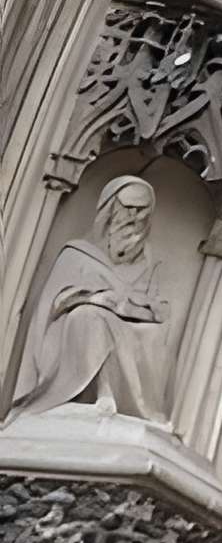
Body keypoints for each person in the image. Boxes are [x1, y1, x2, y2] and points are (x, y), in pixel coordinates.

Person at [10, 175, 171, 422]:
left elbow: (159, 310)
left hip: (132, 330)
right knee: (89, 316)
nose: (134, 217)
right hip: (76, 325)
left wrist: (122, 305)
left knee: (153, 335)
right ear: (111, 208)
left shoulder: (151, 260)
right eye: (128, 207)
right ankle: (94, 392)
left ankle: (119, 398)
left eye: (142, 210)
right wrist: (94, 299)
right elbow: (53, 303)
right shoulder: (77, 252)